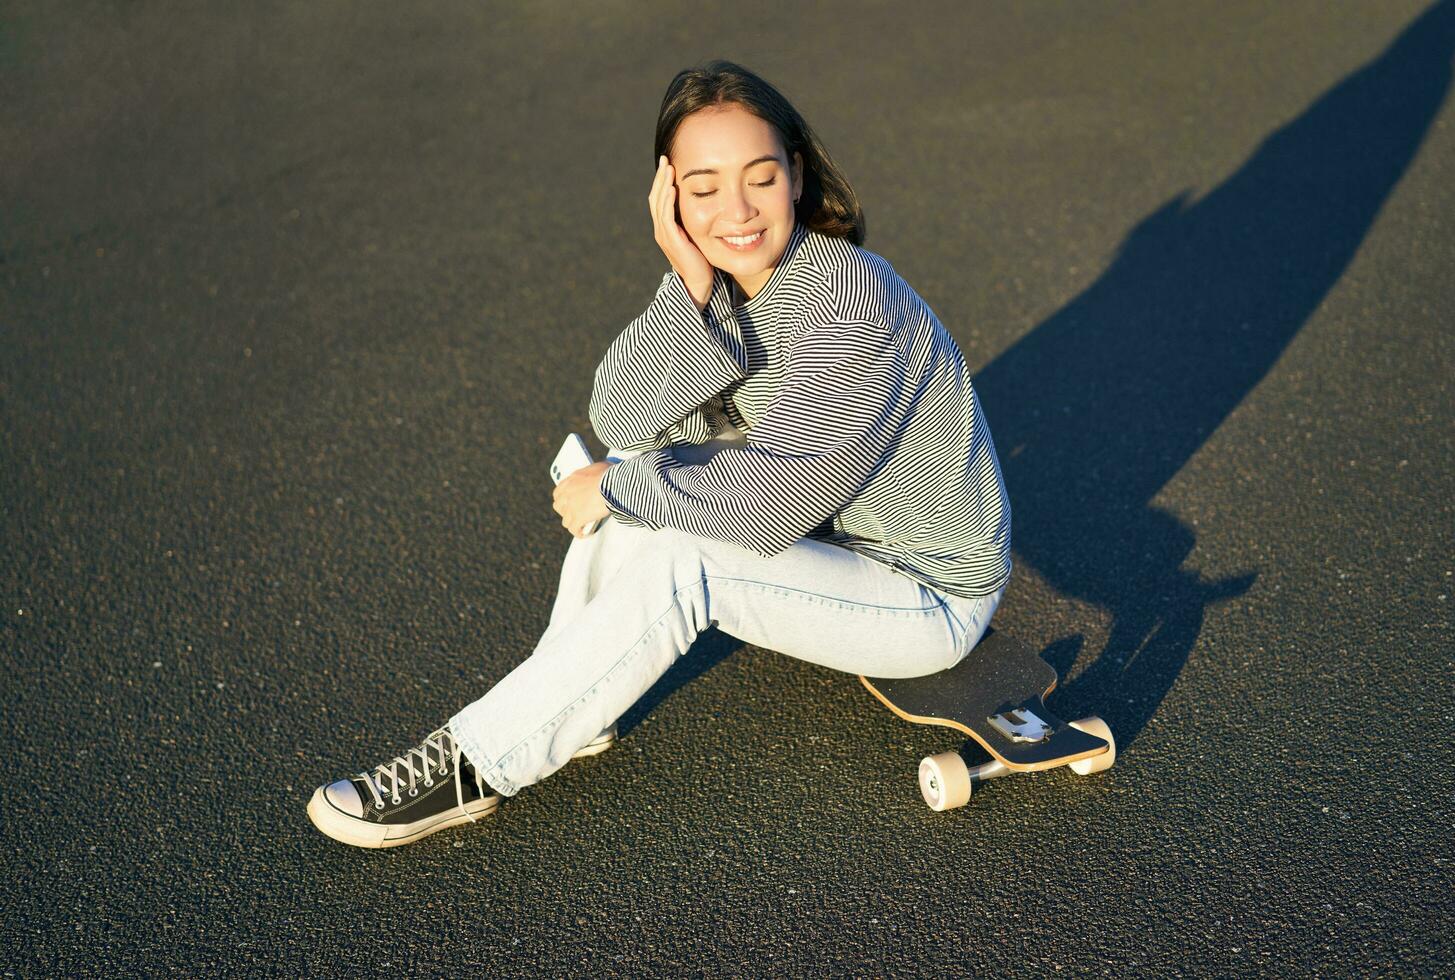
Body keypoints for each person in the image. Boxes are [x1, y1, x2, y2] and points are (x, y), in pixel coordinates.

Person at [306, 59, 1011, 848]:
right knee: (638, 453)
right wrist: (690, 285)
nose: (736, 212)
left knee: (678, 545)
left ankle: (476, 762)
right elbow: (619, 411)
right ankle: (570, 697)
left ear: (797, 175)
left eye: (760, 178)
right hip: (837, 541)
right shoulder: (722, 278)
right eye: (704, 189)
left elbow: (778, 503)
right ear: (670, 195)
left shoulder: (850, 305)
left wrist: (620, 489)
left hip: (926, 593)